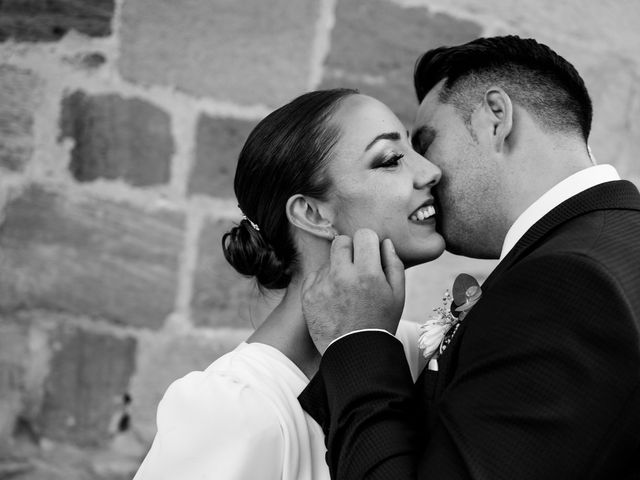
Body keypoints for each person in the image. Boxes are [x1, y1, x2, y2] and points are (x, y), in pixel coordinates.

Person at [299, 35, 640, 479]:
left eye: (427, 143)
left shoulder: (567, 283)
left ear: (495, 118)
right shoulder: (612, 245)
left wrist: (356, 340)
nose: (427, 172)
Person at [133, 88, 447, 479]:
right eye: (390, 160)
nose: (431, 172)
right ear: (312, 213)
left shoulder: (424, 353)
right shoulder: (231, 411)